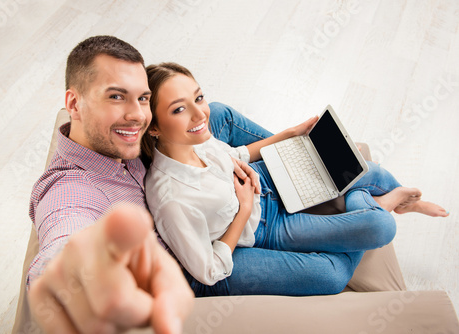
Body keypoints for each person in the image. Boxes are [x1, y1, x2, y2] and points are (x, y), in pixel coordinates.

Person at [26, 35, 303, 333]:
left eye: (143, 98)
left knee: (219, 113)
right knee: (328, 277)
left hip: (191, 190)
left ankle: (300, 150)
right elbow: (64, 238)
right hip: (195, 256)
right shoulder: (71, 192)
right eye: (116, 97)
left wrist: (218, 155)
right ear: (74, 104)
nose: (137, 116)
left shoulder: (118, 141)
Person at [142, 62, 449, 292]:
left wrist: (289, 135)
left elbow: (237, 155)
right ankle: (369, 202)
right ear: (153, 127)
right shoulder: (171, 200)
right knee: (365, 243)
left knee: (366, 169)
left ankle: (396, 200)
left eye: (199, 98)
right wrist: (245, 210)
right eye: (179, 109)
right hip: (265, 229)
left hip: (265, 184)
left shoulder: (199, 136)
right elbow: (208, 271)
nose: (200, 115)